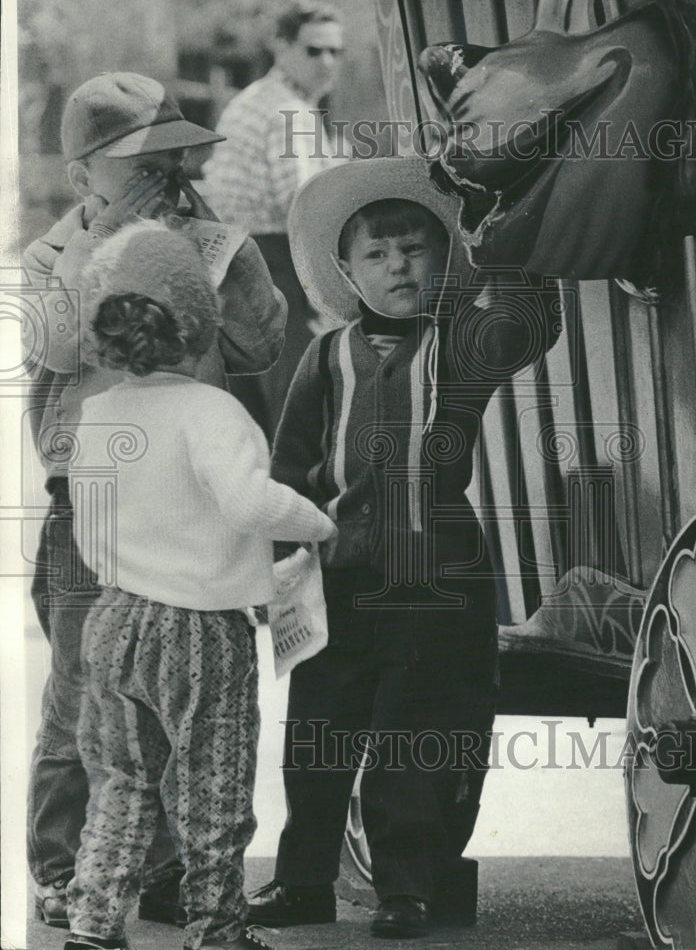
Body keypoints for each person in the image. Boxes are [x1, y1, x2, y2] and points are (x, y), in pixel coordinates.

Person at [246, 157, 560, 939]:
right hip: (338, 584)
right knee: (316, 742)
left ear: (443, 259)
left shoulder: (459, 347)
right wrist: (278, 566)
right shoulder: (322, 360)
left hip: (438, 584)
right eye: (378, 255)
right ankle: (304, 882)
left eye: (416, 248)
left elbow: (532, 325)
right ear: (346, 271)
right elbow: (289, 473)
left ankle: (407, 891)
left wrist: (508, 242)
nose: (398, 266)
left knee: (415, 746)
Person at [21, 71, 287, 929]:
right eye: (134, 162)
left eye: (167, 156)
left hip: (189, 497)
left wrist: (214, 251)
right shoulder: (50, 252)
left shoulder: (207, 244)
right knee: (83, 688)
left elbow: (259, 344)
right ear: (83, 175)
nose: (154, 175)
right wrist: (114, 241)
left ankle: (169, 873)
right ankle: (64, 872)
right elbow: (61, 348)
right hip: (93, 494)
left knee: (189, 692)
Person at [61, 220, 336, 950]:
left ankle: (93, 924)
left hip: (115, 620)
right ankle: (217, 928)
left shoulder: (96, 415)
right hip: (201, 632)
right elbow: (248, 503)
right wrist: (319, 523)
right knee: (210, 784)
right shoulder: (213, 412)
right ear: (199, 325)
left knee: (121, 783)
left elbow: (88, 536)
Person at [202, 0, 344, 438]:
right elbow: (305, 207)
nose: (326, 63)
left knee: (258, 419)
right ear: (281, 47)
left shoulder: (254, 99)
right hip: (276, 260)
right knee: (299, 412)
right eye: (313, 50)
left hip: (233, 265)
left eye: (335, 52)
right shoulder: (290, 111)